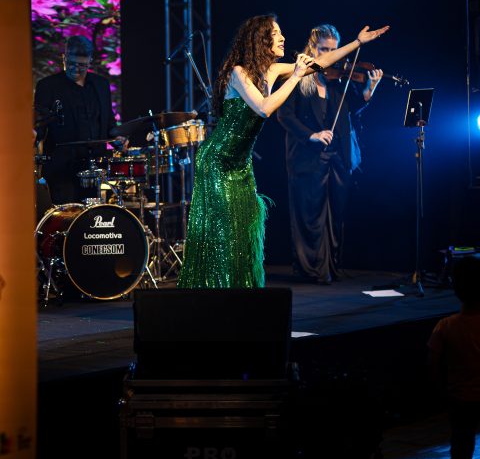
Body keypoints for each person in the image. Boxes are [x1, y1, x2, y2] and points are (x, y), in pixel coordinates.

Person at [177, 14, 388, 289]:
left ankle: (240, 292)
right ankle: (215, 293)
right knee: (224, 233)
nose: (283, 38)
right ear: (261, 40)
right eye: (276, 34)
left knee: (244, 231)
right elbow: (264, 108)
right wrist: (296, 76)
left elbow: (322, 63)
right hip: (218, 161)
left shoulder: (273, 70)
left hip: (240, 164)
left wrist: (357, 42)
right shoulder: (239, 72)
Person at [277, 24, 383, 285]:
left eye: (333, 50)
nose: (330, 56)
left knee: (335, 215)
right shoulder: (298, 77)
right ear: (312, 48)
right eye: (324, 49)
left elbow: (350, 112)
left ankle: (331, 267)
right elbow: (284, 115)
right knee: (309, 216)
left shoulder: (338, 81)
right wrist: (311, 135)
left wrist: (369, 90)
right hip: (306, 157)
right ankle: (310, 269)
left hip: (337, 157)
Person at [34, 35, 125, 204]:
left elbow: (108, 123)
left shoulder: (101, 85)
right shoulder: (48, 86)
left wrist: (118, 139)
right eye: (71, 63)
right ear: (64, 58)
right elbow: (40, 125)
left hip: (94, 168)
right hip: (61, 170)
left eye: (82, 65)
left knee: (92, 217)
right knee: (67, 216)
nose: (75, 69)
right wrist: (33, 134)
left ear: (90, 61)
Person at [427, 255, 480, 459]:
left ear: (455, 287)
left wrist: (443, 393)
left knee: (461, 446)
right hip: (462, 399)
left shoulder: (445, 326)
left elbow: (432, 366)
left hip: (460, 400)